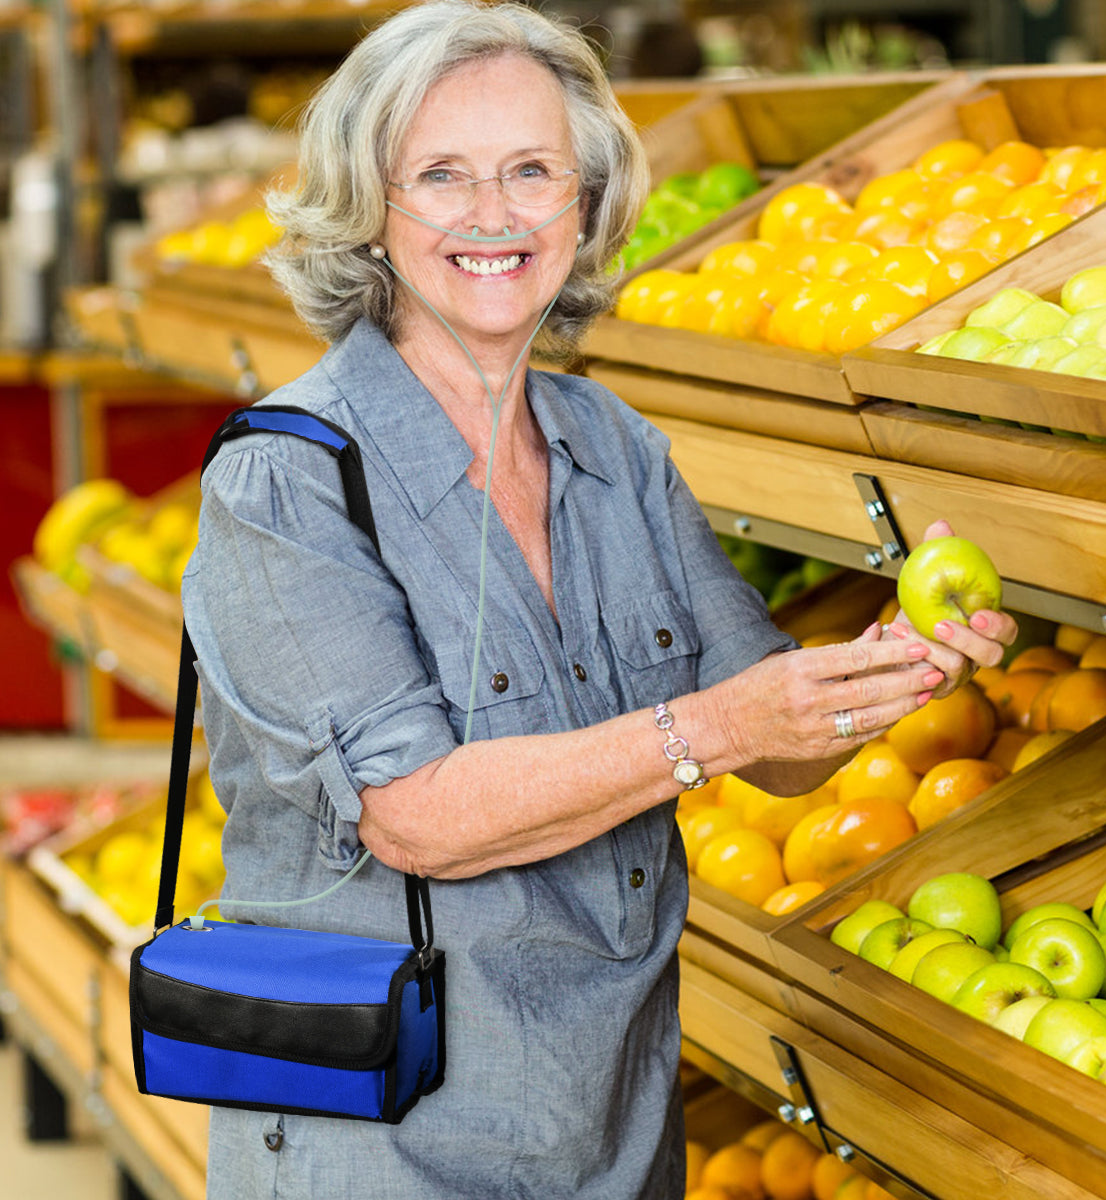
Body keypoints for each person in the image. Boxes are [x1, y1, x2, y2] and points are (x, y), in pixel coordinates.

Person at [182, 2, 1016, 1196]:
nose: (493, 215)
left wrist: (890, 666)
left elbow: (771, 746)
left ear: (586, 203)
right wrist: (716, 730)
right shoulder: (289, 480)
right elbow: (416, 815)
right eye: (441, 176)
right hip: (381, 1148)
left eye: (532, 170)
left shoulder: (614, 450)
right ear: (368, 216)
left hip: (611, 1135)